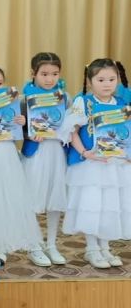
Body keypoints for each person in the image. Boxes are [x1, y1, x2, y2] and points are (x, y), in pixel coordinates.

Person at [0, 66, 49, 267]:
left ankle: (32, 245)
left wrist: (22, 122)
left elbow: (20, 130)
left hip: (7, 153)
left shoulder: (12, 101)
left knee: (15, 195)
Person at [58, 58, 131, 268]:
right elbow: (72, 131)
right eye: (101, 80)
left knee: (110, 205)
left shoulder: (122, 104)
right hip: (91, 165)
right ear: (90, 81)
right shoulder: (83, 102)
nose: (107, 84)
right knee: (92, 205)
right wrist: (84, 153)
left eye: (111, 79)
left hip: (115, 164)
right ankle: (92, 249)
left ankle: (105, 247)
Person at [21, 53, 69, 264]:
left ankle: (51, 244)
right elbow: (16, 129)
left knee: (55, 199)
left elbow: (71, 127)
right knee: (32, 199)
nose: (50, 79)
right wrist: (28, 133)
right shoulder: (24, 99)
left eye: (55, 74)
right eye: (44, 74)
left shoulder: (65, 97)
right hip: (36, 154)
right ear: (33, 73)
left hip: (57, 153)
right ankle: (34, 245)